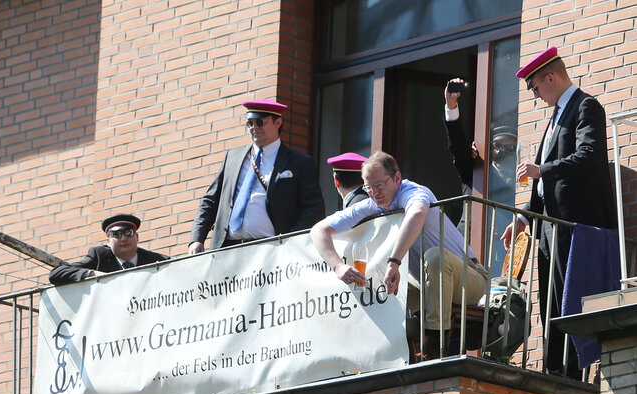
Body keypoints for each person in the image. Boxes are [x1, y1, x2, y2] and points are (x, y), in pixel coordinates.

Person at [499, 47, 616, 378]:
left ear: (550, 77)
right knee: (551, 303)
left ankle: (569, 373)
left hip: (575, 226)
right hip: (551, 228)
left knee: (570, 300)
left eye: (535, 87)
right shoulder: (556, 116)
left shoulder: (585, 106)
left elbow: (590, 155)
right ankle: (555, 371)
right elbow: (543, 186)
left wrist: (543, 169)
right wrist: (523, 219)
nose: (535, 96)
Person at [311, 151, 488, 362]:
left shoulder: (413, 191)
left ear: (396, 178)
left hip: (472, 282)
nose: (374, 193)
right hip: (428, 284)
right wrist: (338, 267)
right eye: (368, 187)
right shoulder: (372, 203)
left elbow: (417, 214)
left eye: (379, 185)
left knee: (434, 257)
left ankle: (434, 347)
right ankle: (380, 355)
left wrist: (394, 261)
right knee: (373, 284)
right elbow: (319, 230)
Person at [188, 99, 325, 253]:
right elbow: (210, 201)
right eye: (249, 123)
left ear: (278, 123)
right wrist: (197, 238)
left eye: (260, 122)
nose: (254, 128)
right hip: (227, 250)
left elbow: (314, 209)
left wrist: (289, 242)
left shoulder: (298, 162)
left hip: (270, 252)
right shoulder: (233, 157)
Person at [444, 78, 517, 266]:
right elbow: (458, 146)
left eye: (509, 148)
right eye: (498, 146)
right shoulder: (475, 170)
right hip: (467, 253)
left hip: (502, 259)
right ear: (489, 148)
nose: (502, 152)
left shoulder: (520, 182)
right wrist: (451, 106)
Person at [49, 213, 169, 286]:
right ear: (108, 241)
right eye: (116, 235)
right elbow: (56, 273)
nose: (123, 238)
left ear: (137, 237)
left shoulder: (157, 261)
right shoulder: (99, 256)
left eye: (128, 233)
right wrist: (92, 273)